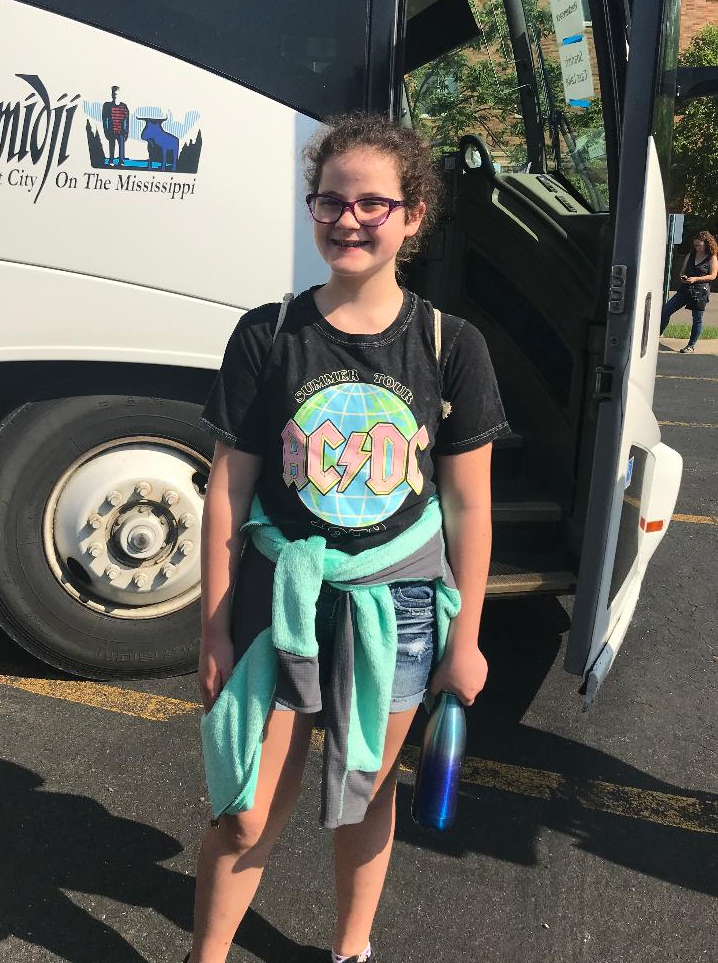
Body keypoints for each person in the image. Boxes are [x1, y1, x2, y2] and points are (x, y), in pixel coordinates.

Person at [189, 114, 510, 963]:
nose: (350, 219)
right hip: (278, 595)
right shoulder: (268, 334)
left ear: (413, 217)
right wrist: (215, 626)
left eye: (374, 203)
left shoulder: (451, 345)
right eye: (331, 201)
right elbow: (230, 487)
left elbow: (469, 508)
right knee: (249, 805)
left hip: (398, 603)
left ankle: (350, 949)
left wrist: (466, 636)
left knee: (366, 792)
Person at [660, 230, 718, 352]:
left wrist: (696, 279)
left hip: (700, 291)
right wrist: (683, 277)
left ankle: (691, 345)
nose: (696, 247)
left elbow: (713, 275)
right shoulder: (691, 255)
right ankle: (658, 335)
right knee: (666, 310)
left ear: (706, 244)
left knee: (697, 318)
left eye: (699, 245)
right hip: (685, 289)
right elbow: (682, 271)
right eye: (695, 245)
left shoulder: (711, 258)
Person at [101, 85, 129, 166]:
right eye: (113, 93)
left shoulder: (124, 106)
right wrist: (106, 130)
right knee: (112, 145)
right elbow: (104, 119)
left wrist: (126, 132)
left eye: (116, 94)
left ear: (119, 94)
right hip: (111, 130)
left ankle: (121, 160)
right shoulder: (107, 106)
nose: (115, 95)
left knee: (121, 146)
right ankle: (111, 160)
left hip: (121, 131)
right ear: (111, 94)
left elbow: (127, 121)